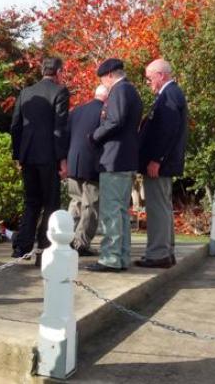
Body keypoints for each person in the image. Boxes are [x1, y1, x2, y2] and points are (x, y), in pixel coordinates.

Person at [86, 58, 143, 273]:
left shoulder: (119, 90)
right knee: (121, 211)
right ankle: (121, 257)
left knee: (111, 211)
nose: (104, 83)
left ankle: (110, 258)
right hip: (125, 158)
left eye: (103, 79)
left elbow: (115, 120)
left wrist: (94, 136)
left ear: (110, 74)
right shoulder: (131, 90)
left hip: (115, 159)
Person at [10, 57, 69, 261]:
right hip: (49, 156)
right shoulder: (60, 92)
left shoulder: (25, 92)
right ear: (59, 72)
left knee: (31, 201)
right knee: (51, 202)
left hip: (28, 155)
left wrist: (18, 155)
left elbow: (15, 126)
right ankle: (45, 249)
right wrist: (63, 159)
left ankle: (22, 247)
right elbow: (59, 129)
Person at [135, 58, 188, 268]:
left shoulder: (169, 95)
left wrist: (157, 159)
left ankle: (158, 254)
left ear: (161, 75)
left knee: (157, 208)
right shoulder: (170, 94)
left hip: (160, 164)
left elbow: (167, 131)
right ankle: (166, 251)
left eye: (149, 79)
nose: (148, 83)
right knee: (163, 207)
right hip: (163, 163)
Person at [66, 84, 108, 256]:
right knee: (91, 204)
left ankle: (66, 238)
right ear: (107, 97)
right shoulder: (105, 113)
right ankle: (81, 243)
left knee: (75, 201)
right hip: (92, 162)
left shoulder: (77, 111)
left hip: (73, 161)